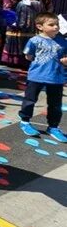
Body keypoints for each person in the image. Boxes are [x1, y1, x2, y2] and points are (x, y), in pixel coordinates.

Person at [18, 12, 67, 142]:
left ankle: (53, 126)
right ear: (40, 26)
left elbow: (65, 57)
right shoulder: (34, 41)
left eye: (57, 24)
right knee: (30, 100)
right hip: (36, 76)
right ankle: (25, 121)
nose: (56, 27)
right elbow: (28, 56)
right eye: (51, 25)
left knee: (55, 104)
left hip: (56, 77)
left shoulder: (63, 41)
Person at [1, 0, 47, 69]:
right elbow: (8, 2)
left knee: (33, 36)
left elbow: (47, 1)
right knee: (19, 35)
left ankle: (30, 58)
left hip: (36, 16)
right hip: (20, 15)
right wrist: (10, 17)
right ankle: (15, 60)